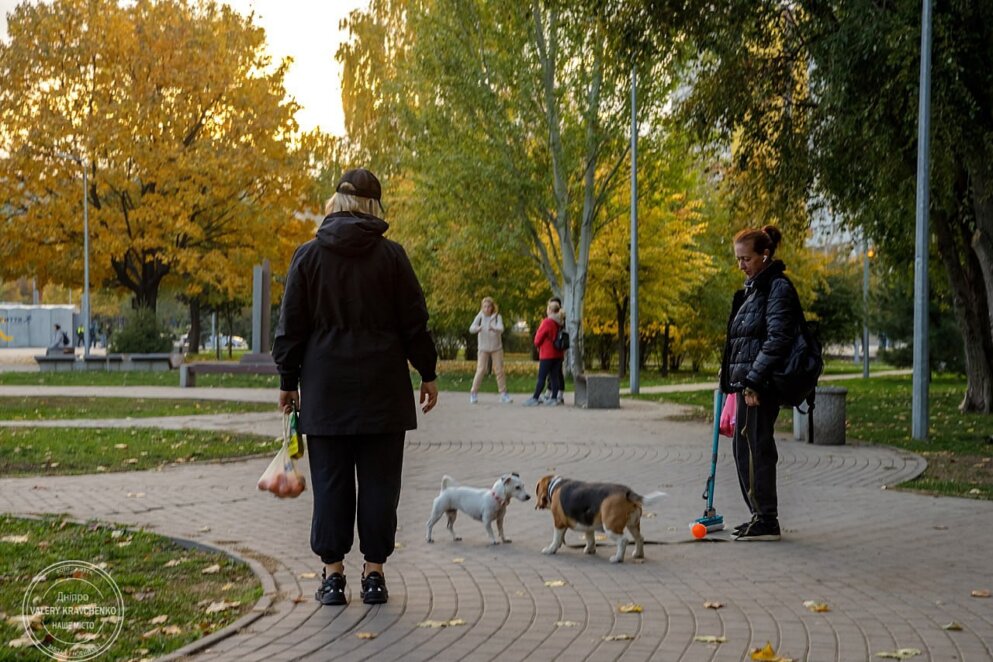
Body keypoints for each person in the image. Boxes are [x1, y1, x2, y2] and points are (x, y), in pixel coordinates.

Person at [273, 167, 439, 607]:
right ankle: (374, 575)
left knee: (330, 484)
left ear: (335, 203)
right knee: (381, 485)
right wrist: (428, 371)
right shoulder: (392, 257)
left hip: (326, 390)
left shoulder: (307, 257)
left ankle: (331, 577)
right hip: (383, 389)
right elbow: (414, 322)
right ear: (373, 207)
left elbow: (291, 326)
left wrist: (288, 380)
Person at [719, 225, 803, 542]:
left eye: (746, 259)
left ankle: (767, 519)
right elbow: (741, 340)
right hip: (747, 383)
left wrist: (754, 380)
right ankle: (759, 515)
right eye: (738, 259)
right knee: (744, 448)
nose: (741, 265)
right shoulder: (754, 288)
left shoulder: (777, 288)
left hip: (761, 385)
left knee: (757, 449)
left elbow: (778, 339)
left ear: (764, 255)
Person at [468, 296, 512, 404]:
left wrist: (495, 329)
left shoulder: (497, 317)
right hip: (483, 348)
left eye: (489, 306)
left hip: (496, 348)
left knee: (499, 370)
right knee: (481, 369)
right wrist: (477, 328)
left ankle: (503, 394)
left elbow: (501, 328)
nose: (487, 309)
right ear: (482, 307)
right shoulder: (480, 316)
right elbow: (471, 328)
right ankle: (474, 392)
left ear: (492, 307)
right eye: (485, 307)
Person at [523, 300, 565, 406]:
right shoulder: (560, 322)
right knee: (554, 376)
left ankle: (535, 397)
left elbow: (537, 339)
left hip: (547, 353)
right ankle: (554, 398)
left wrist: (538, 344)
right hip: (558, 354)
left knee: (542, 376)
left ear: (550, 310)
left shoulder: (547, 322)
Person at [547, 296, 566, 404]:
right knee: (552, 371)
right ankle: (551, 391)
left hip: (557, 348)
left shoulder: (560, 320)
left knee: (557, 371)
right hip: (553, 348)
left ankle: (557, 392)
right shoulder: (555, 319)